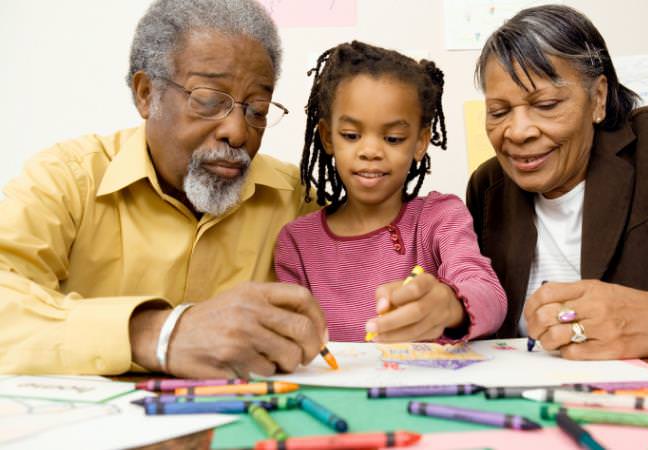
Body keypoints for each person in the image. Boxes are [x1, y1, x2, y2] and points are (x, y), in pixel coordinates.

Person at [0, 0, 328, 378]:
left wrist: (408, 311)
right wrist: (159, 333)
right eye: (208, 100)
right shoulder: (67, 180)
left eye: (257, 110)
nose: (238, 132)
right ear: (145, 93)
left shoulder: (296, 199)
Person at [466, 4, 648, 359]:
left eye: (546, 104)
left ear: (598, 98)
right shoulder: (488, 188)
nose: (518, 132)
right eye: (499, 112)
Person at [275, 41, 507, 343]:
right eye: (351, 135)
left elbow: (488, 293)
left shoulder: (439, 217)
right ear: (327, 137)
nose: (370, 151)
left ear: (421, 142)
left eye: (394, 138)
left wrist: (450, 304)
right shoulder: (297, 242)